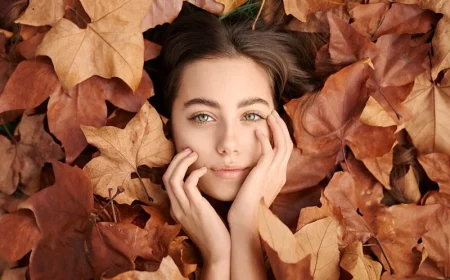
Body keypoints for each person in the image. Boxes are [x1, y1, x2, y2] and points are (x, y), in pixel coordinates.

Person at [146, 5, 338, 280]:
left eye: (250, 115)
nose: (228, 143)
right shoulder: (128, 242)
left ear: (279, 121)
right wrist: (218, 256)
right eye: (203, 117)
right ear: (169, 122)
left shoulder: (328, 226)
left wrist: (245, 226)